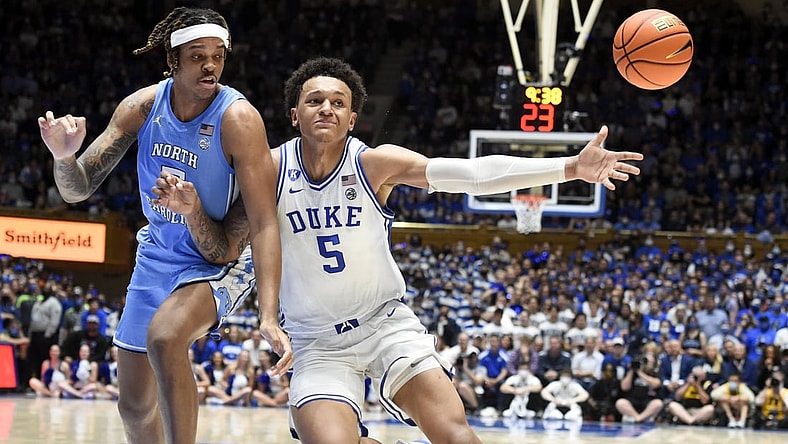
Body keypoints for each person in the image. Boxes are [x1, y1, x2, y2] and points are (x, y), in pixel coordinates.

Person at [156, 57, 642, 443]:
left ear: (352, 117)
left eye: (337, 102)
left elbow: (472, 175)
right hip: (316, 344)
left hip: (385, 324)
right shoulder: (266, 171)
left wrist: (569, 168)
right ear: (294, 114)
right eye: (314, 99)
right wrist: (194, 209)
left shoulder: (373, 165)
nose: (325, 107)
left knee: (455, 435)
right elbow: (221, 249)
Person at [37, 7, 289, 444]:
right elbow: (76, 190)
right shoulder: (143, 106)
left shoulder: (239, 120)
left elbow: (258, 228)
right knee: (134, 406)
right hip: (158, 253)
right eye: (196, 56)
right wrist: (63, 156)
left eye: (217, 55)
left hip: (221, 261)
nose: (210, 65)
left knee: (165, 338)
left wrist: (268, 314)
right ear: (172, 61)